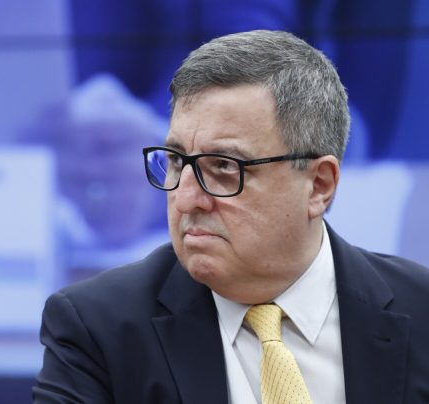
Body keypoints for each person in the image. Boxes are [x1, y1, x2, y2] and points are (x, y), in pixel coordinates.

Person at [33, 30, 429, 403]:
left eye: (224, 166)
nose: (186, 199)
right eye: (176, 162)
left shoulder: (421, 310)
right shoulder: (96, 328)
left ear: (319, 185)